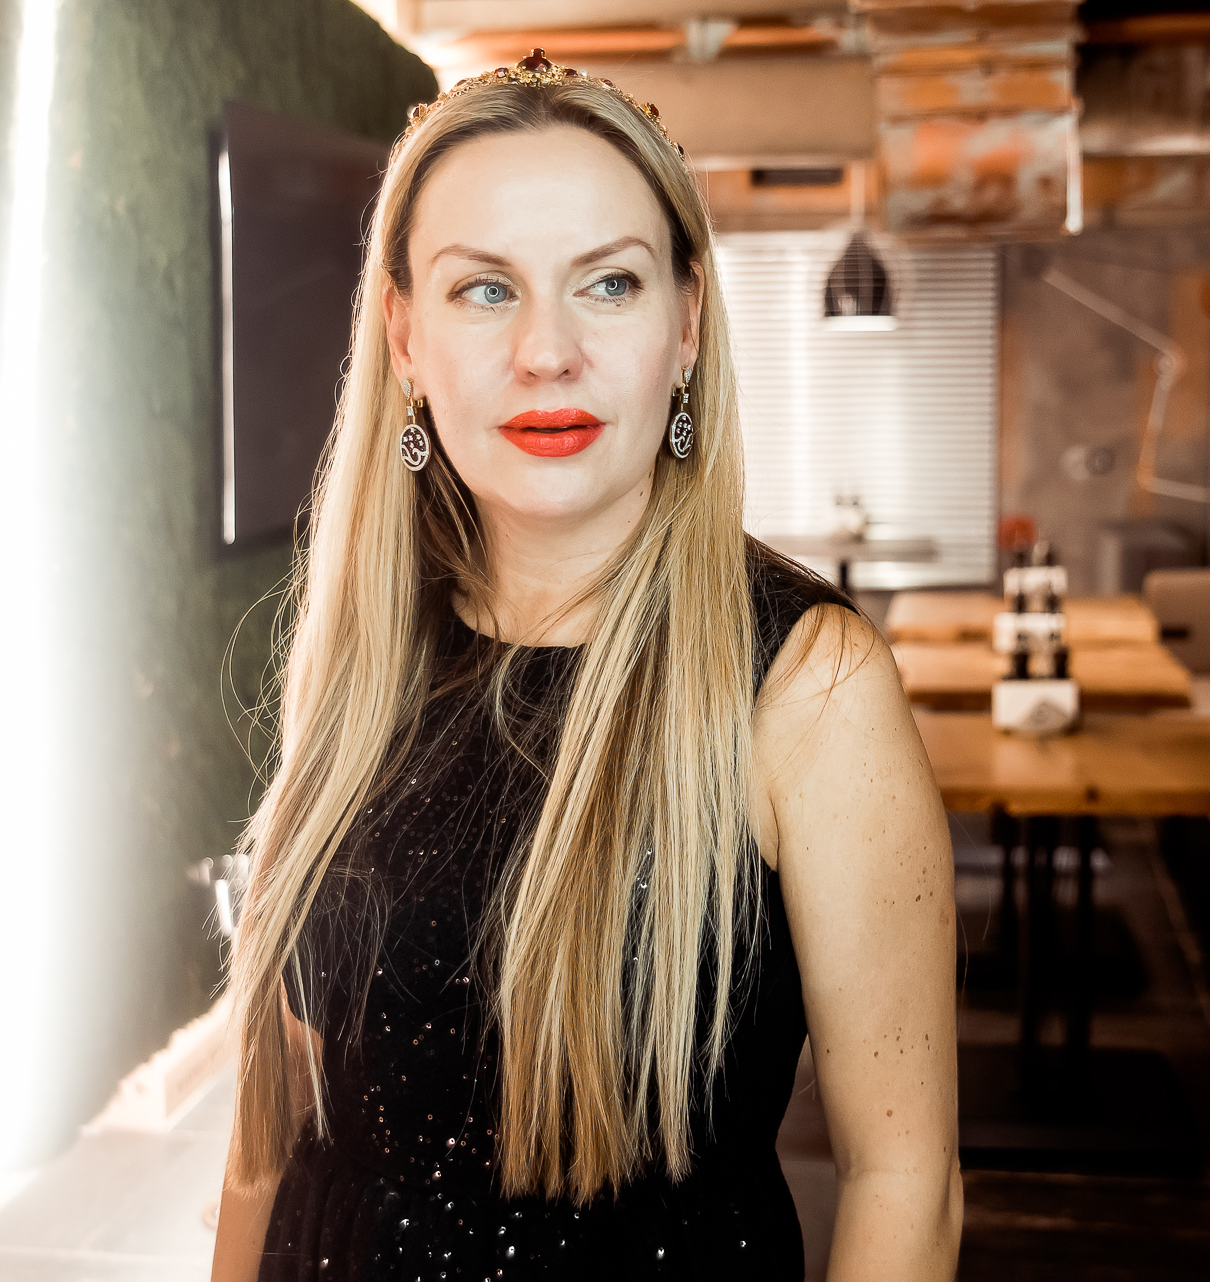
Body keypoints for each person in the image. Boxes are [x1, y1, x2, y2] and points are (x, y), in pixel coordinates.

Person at [212, 51, 960, 1282]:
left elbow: (905, 1183)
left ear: (686, 323)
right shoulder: (366, 651)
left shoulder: (808, 686)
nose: (547, 351)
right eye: (484, 289)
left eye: (608, 283)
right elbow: (275, 1122)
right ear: (405, 337)